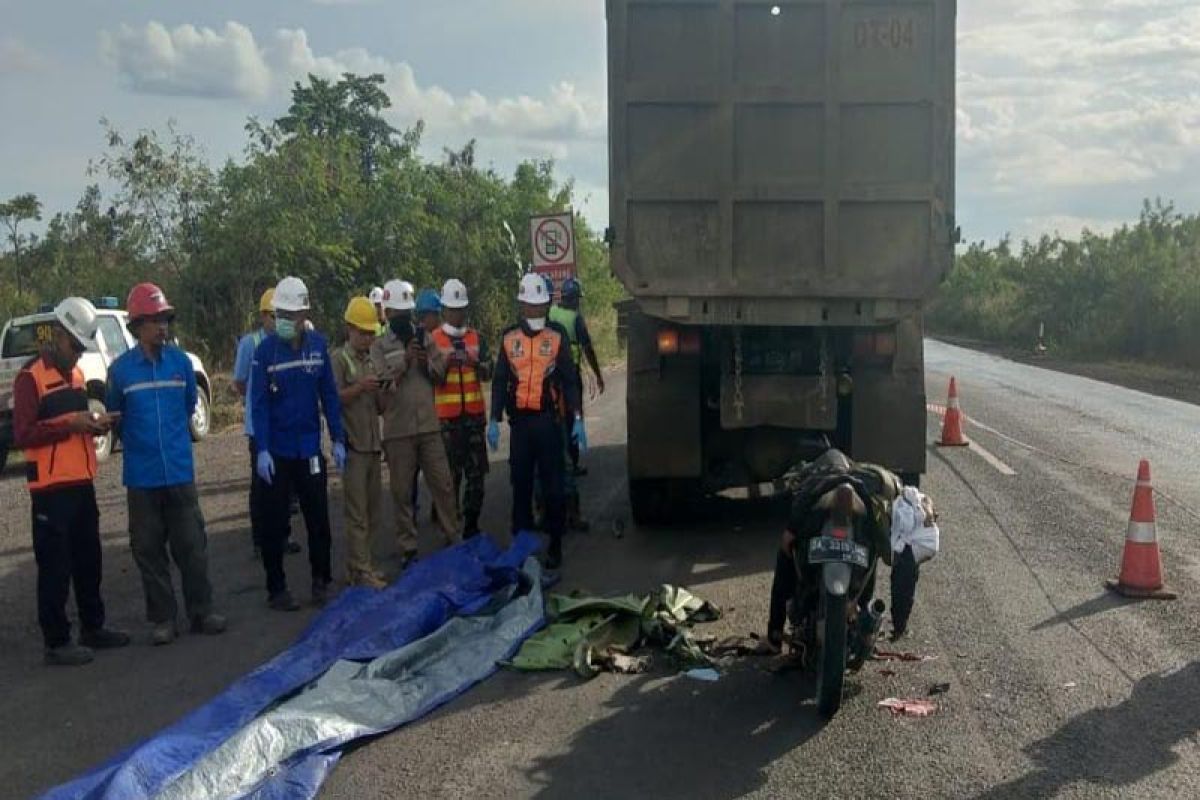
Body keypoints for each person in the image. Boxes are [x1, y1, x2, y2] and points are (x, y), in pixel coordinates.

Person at [107, 283, 226, 645]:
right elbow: (117, 417)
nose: (162, 327)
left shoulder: (180, 364)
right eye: (154, 321)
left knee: (191, 545)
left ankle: (201, 611)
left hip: (178, 470)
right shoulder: (121, 371)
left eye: (165, 319)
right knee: (148, 550)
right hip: (141, 478)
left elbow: (190, 403)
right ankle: (162, 619)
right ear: (136, 326)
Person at [14, 297, 129, 666]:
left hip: (81, 482)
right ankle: (57, 641)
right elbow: (23, 434)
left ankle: (92, 627)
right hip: (50, 491)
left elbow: (74, 423)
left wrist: (95, 424)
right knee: (55, 566)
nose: (78, 354)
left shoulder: (76, 376)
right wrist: (70, 425)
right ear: (58, 336)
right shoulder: (30, 378)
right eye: (75, 346)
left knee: (88, 559)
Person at [251, 276, 347, 610]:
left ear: (304, 313)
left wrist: (337, 438)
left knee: (318, 519)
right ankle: (276, 588)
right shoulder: (265, 352)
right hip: (276, 452)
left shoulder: (318, 346)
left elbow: (329, 396)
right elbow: (259, 404)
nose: (287, 321)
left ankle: (322, 581)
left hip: (308, 449)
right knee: (274, 523)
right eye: (282, 314)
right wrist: (261, 449)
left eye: (293, 315)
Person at [766, 450, 917, 651]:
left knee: (785, 551)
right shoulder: (876, 488)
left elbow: (790, 537)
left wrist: (791, 530)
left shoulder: (815, 480)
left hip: (853, 542)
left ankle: (774, 636)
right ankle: (864, 625)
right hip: (861, 542)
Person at [488, 273, 584, 571]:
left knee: (554, 487)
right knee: (521, 485)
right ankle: (523, 545)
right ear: (522, 305)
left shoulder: (556, 336)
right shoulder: (509, 337)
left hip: (548, 423)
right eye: (531, 304)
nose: (536, 310)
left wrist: (577, 416)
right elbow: (500, 380)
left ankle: (555, 544)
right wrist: (493, 418)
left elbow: (569, 380)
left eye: (541, 304)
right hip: (521, 426)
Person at [372, 279, 461, 567]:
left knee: (443, 485)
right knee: (401, 492)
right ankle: (407, 547)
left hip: (428, 426)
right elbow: (382, 386)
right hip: (398, 430)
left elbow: (439, 376)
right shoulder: (379, 346)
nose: (402, 318)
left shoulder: (426, 338)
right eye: (396, 313)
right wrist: (405, 362)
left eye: (406, 312)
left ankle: (452, 536)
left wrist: (425, 362)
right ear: (388, 314)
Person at [233, 288, 298, 559]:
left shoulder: (289, 343)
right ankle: (261, 540)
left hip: (283, 424)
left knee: (285, 484)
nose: (278, 321)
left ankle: (282, 536)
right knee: (261, 485)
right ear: (263, 316)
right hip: (259, 427)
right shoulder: (251, 343)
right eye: (273, 315)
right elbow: (240, 381)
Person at [431, 278, 491, 539]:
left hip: (474, 418)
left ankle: (471, 524)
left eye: (461, 309)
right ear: (444, 309)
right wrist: (445, 363)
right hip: (447, 422)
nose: (457, 314)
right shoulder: (433, 340)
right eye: (452, 309)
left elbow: (490, 372)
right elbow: (431, 378)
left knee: (476, 477)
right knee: (449, 480)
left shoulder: (476, 338)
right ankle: (451, 528)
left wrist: (474, 362)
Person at [334, 297, 388, 589]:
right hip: (353, 445)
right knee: (356, 513)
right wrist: (359, 387)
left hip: (372, 444)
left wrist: (383, 389)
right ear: (350, 329)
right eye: (364, 333)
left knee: (373, 510)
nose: (368, 338)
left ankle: (361, 566)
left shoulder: (371, 360)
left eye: (371, 333)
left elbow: (380, 406)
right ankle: (361, 570)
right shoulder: (340, 359)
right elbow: (332, 399)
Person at [549, 277, 605, 478]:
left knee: (552, 416)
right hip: (568, 373)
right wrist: (598, 375)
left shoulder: (551, 312)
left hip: (548, 373)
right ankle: (571, 464)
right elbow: (588, 348)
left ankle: (553, 460)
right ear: (574, 299)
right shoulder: (575, 319)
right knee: (573, 417)